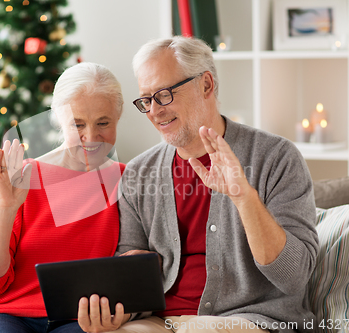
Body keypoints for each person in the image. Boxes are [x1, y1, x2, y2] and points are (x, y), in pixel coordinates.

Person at [77, 36, 319, 333]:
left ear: (206, 85)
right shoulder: (139, 172)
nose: (154, 110)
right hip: (159, 321)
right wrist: (119, 310)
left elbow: (294, 276)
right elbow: (132, 275)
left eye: (164, 94)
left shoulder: (276, 157)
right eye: (147, 99)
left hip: (251, 319)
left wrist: (244, 198)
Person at [0, 62, 126, 333]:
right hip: (6, 314)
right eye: (78, 124)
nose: (92, 137)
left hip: (79, 320)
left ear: (117, 117)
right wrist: (6, 207)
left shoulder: (126, 182)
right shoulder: (21, 177)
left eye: (103, 123)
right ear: (59, 120)